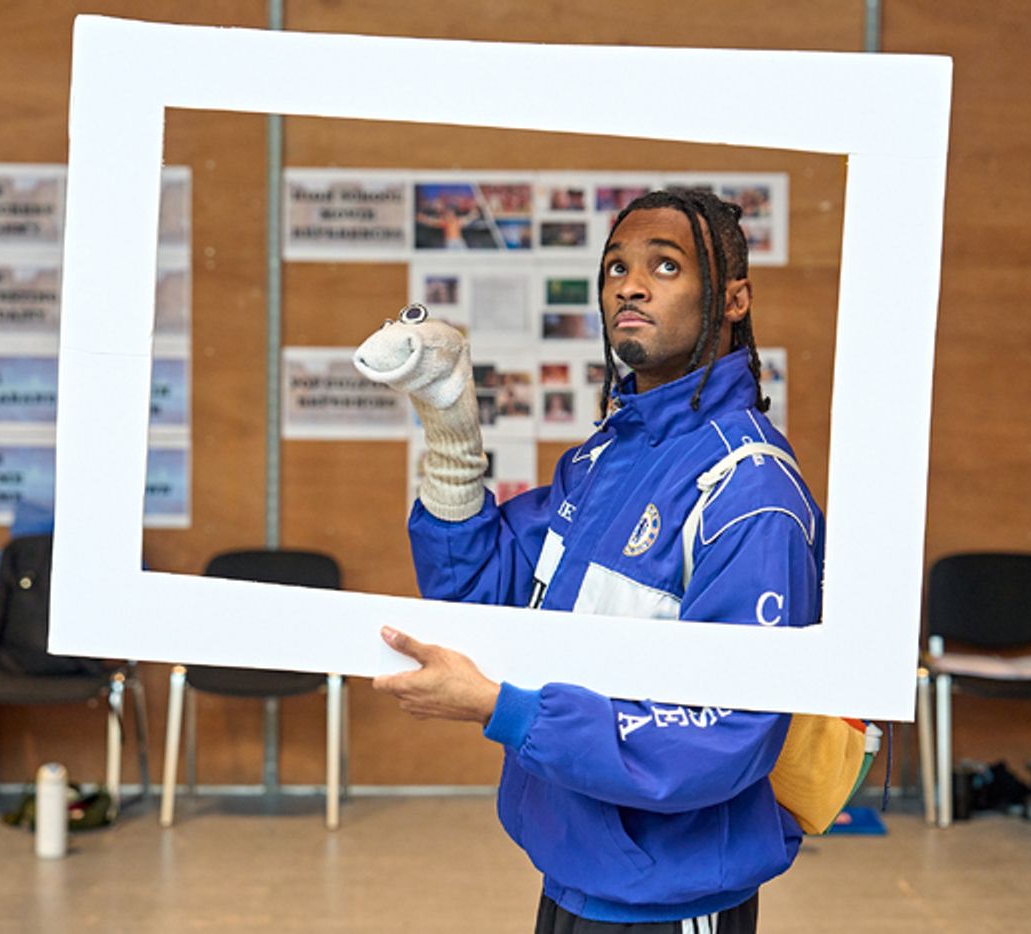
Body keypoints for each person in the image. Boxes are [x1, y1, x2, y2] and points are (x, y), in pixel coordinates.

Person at [353, 189, 825, 933]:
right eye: (615, 268)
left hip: (673, 903)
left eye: (665, 266)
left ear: (734, 299)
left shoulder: (750, 492)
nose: (629, 286)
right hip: (574, 877)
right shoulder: (605, 458)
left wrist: (500, 709)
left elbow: (723, 732)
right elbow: (479, 589)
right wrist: (450, 426)